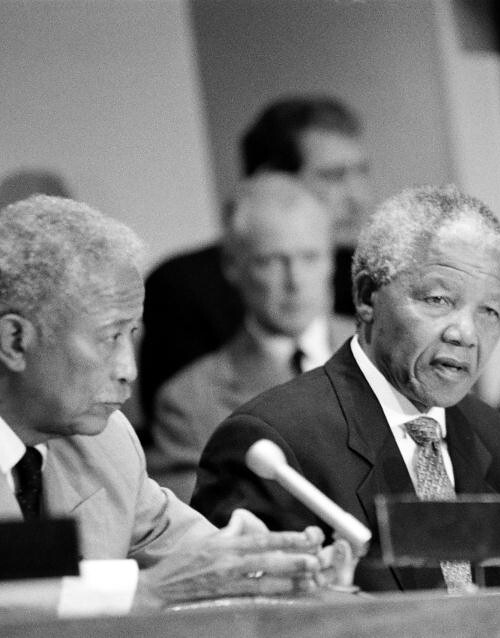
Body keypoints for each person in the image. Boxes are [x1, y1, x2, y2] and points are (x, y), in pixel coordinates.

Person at [0, 195, 349, 612]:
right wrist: (149, 592)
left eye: (131, 335)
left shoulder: (106, 442)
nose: (128, 369)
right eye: (108, 337)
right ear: (15, 342)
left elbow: (198, 557)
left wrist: (272, 566)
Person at [192, 185, 500, 592]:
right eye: (439, 299)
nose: (466, 333)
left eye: (489, 311)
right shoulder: (274, 443)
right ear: (366, 296)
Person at [138, 96, 371, 422]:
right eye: (333, 176)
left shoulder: (365, 273)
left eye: (361, 172)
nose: (357, 196)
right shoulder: (181, 287)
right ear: (269, 178)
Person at [146, 174, 354, 502]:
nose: (294, 280)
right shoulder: (189, 402)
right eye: (271, 261)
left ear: (331, 260)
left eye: (310, 257)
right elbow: (192, 527)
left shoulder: (382, 355)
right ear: (232, 265)